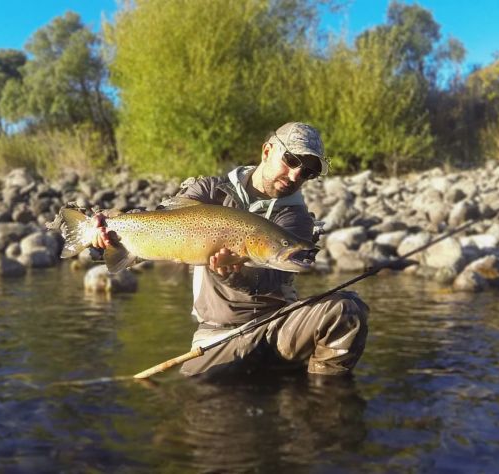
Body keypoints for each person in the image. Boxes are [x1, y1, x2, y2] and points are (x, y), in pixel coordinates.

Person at [92, 122, 369, 378]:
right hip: (216, 336)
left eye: (307, 172)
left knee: (347, 309)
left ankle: (322, 402)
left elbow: (273, 279)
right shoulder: (209, 190)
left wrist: (234, 274)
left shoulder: (296, 219)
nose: (296, 174)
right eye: (292, 161)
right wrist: (109, 233)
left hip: (279, 327)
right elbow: (160, 222)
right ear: (267, 151)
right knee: (200, 400)